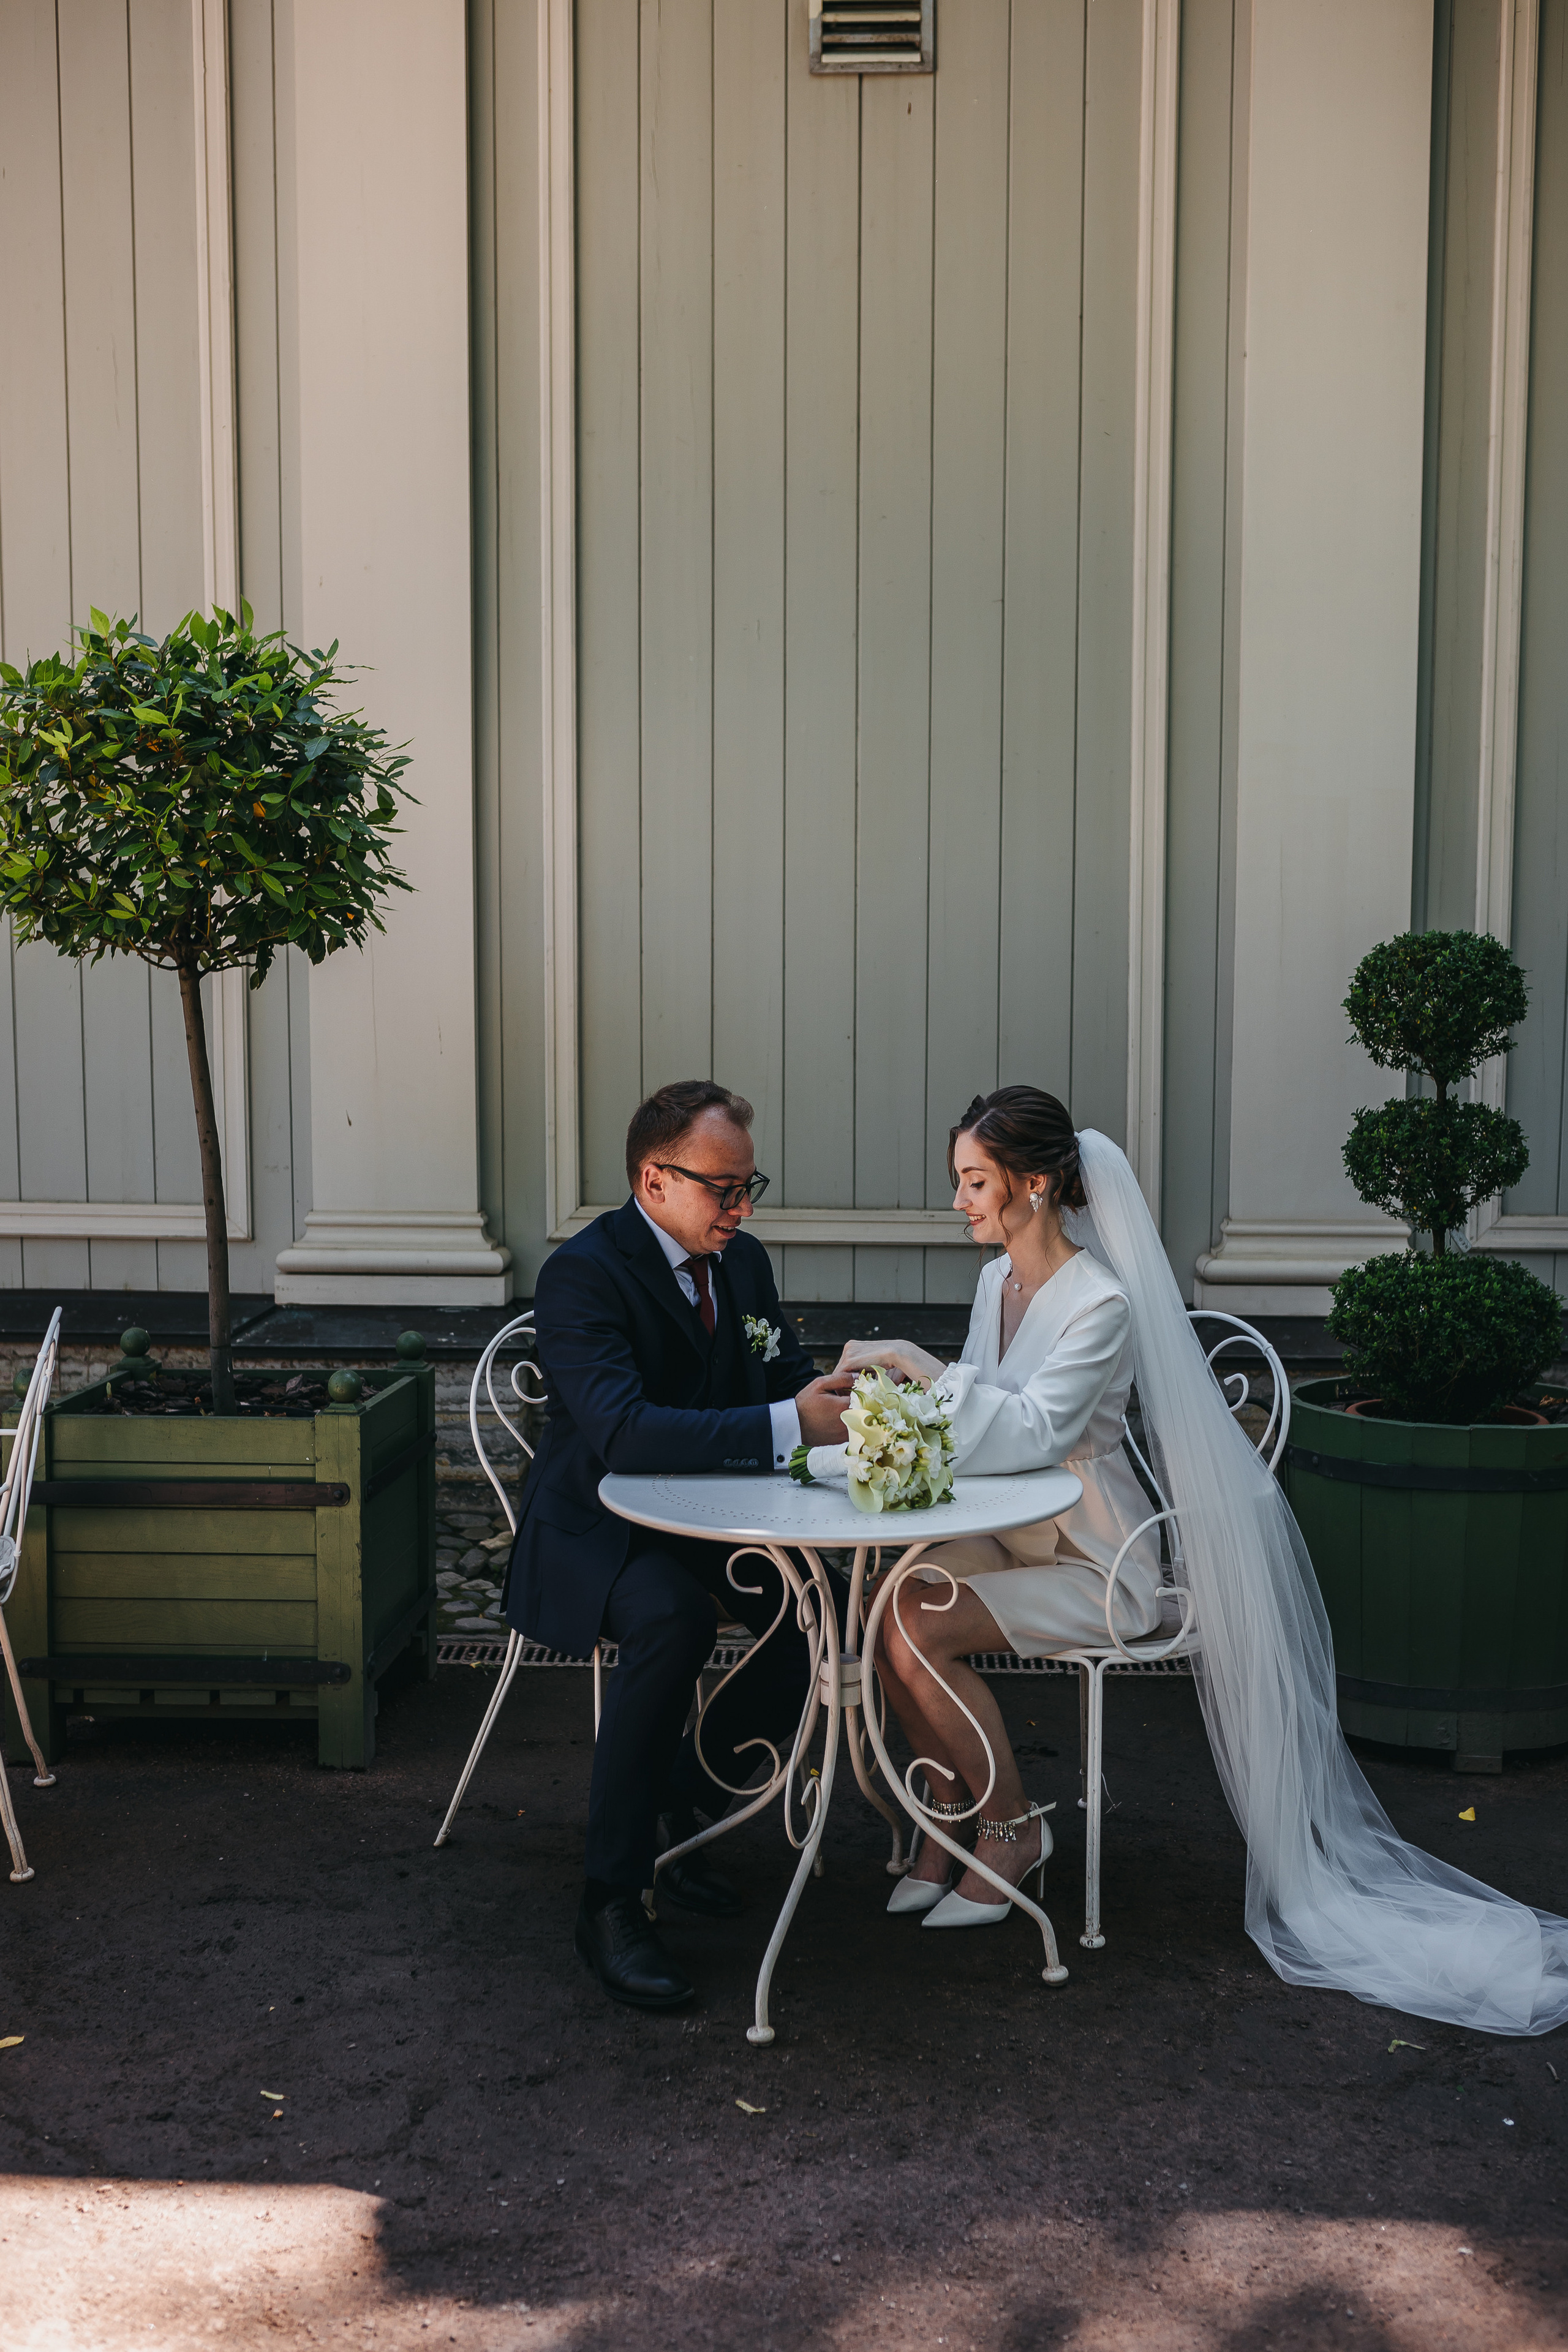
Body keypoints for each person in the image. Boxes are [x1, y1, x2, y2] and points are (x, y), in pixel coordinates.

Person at [848, 1086, 1568, 2036]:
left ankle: (1013, 1833)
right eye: (960, 1182)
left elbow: (1031, 1430)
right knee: (892, 1601)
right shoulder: (996, 1285)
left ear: (1033, 1185)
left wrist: (915, 1364)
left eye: (975, 1182)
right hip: (1015, 1526)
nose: (960, 1202)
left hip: (1097, 1557)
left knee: (918, 1623)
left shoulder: (1100, 1300)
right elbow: (976, 1420)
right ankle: (947, 1823)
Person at [504, 1079, 853, 2011]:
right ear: (654, 1180)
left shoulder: (741, 1263)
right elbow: (621, 1431)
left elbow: (778, 1370)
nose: (741, 1209)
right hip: (598, 1522)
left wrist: (842, 1391)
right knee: (672, 1619)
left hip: (712, 1512)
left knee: (816, 1609)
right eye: (722, 1189)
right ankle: (611, 1899)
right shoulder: (580, 1273)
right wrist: (790, 1423)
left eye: (750, 1186)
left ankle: (684, 1808)